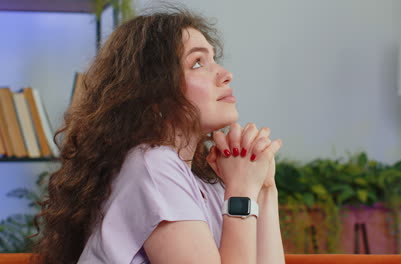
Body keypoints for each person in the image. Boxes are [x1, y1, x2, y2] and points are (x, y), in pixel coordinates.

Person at [30, 5, 284, 264]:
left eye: (214, 58)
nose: (225, 75)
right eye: (197, 63)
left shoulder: (200, 181)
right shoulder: (153, 166)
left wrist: (264, 187)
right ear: (154, 93)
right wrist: (241, 191)